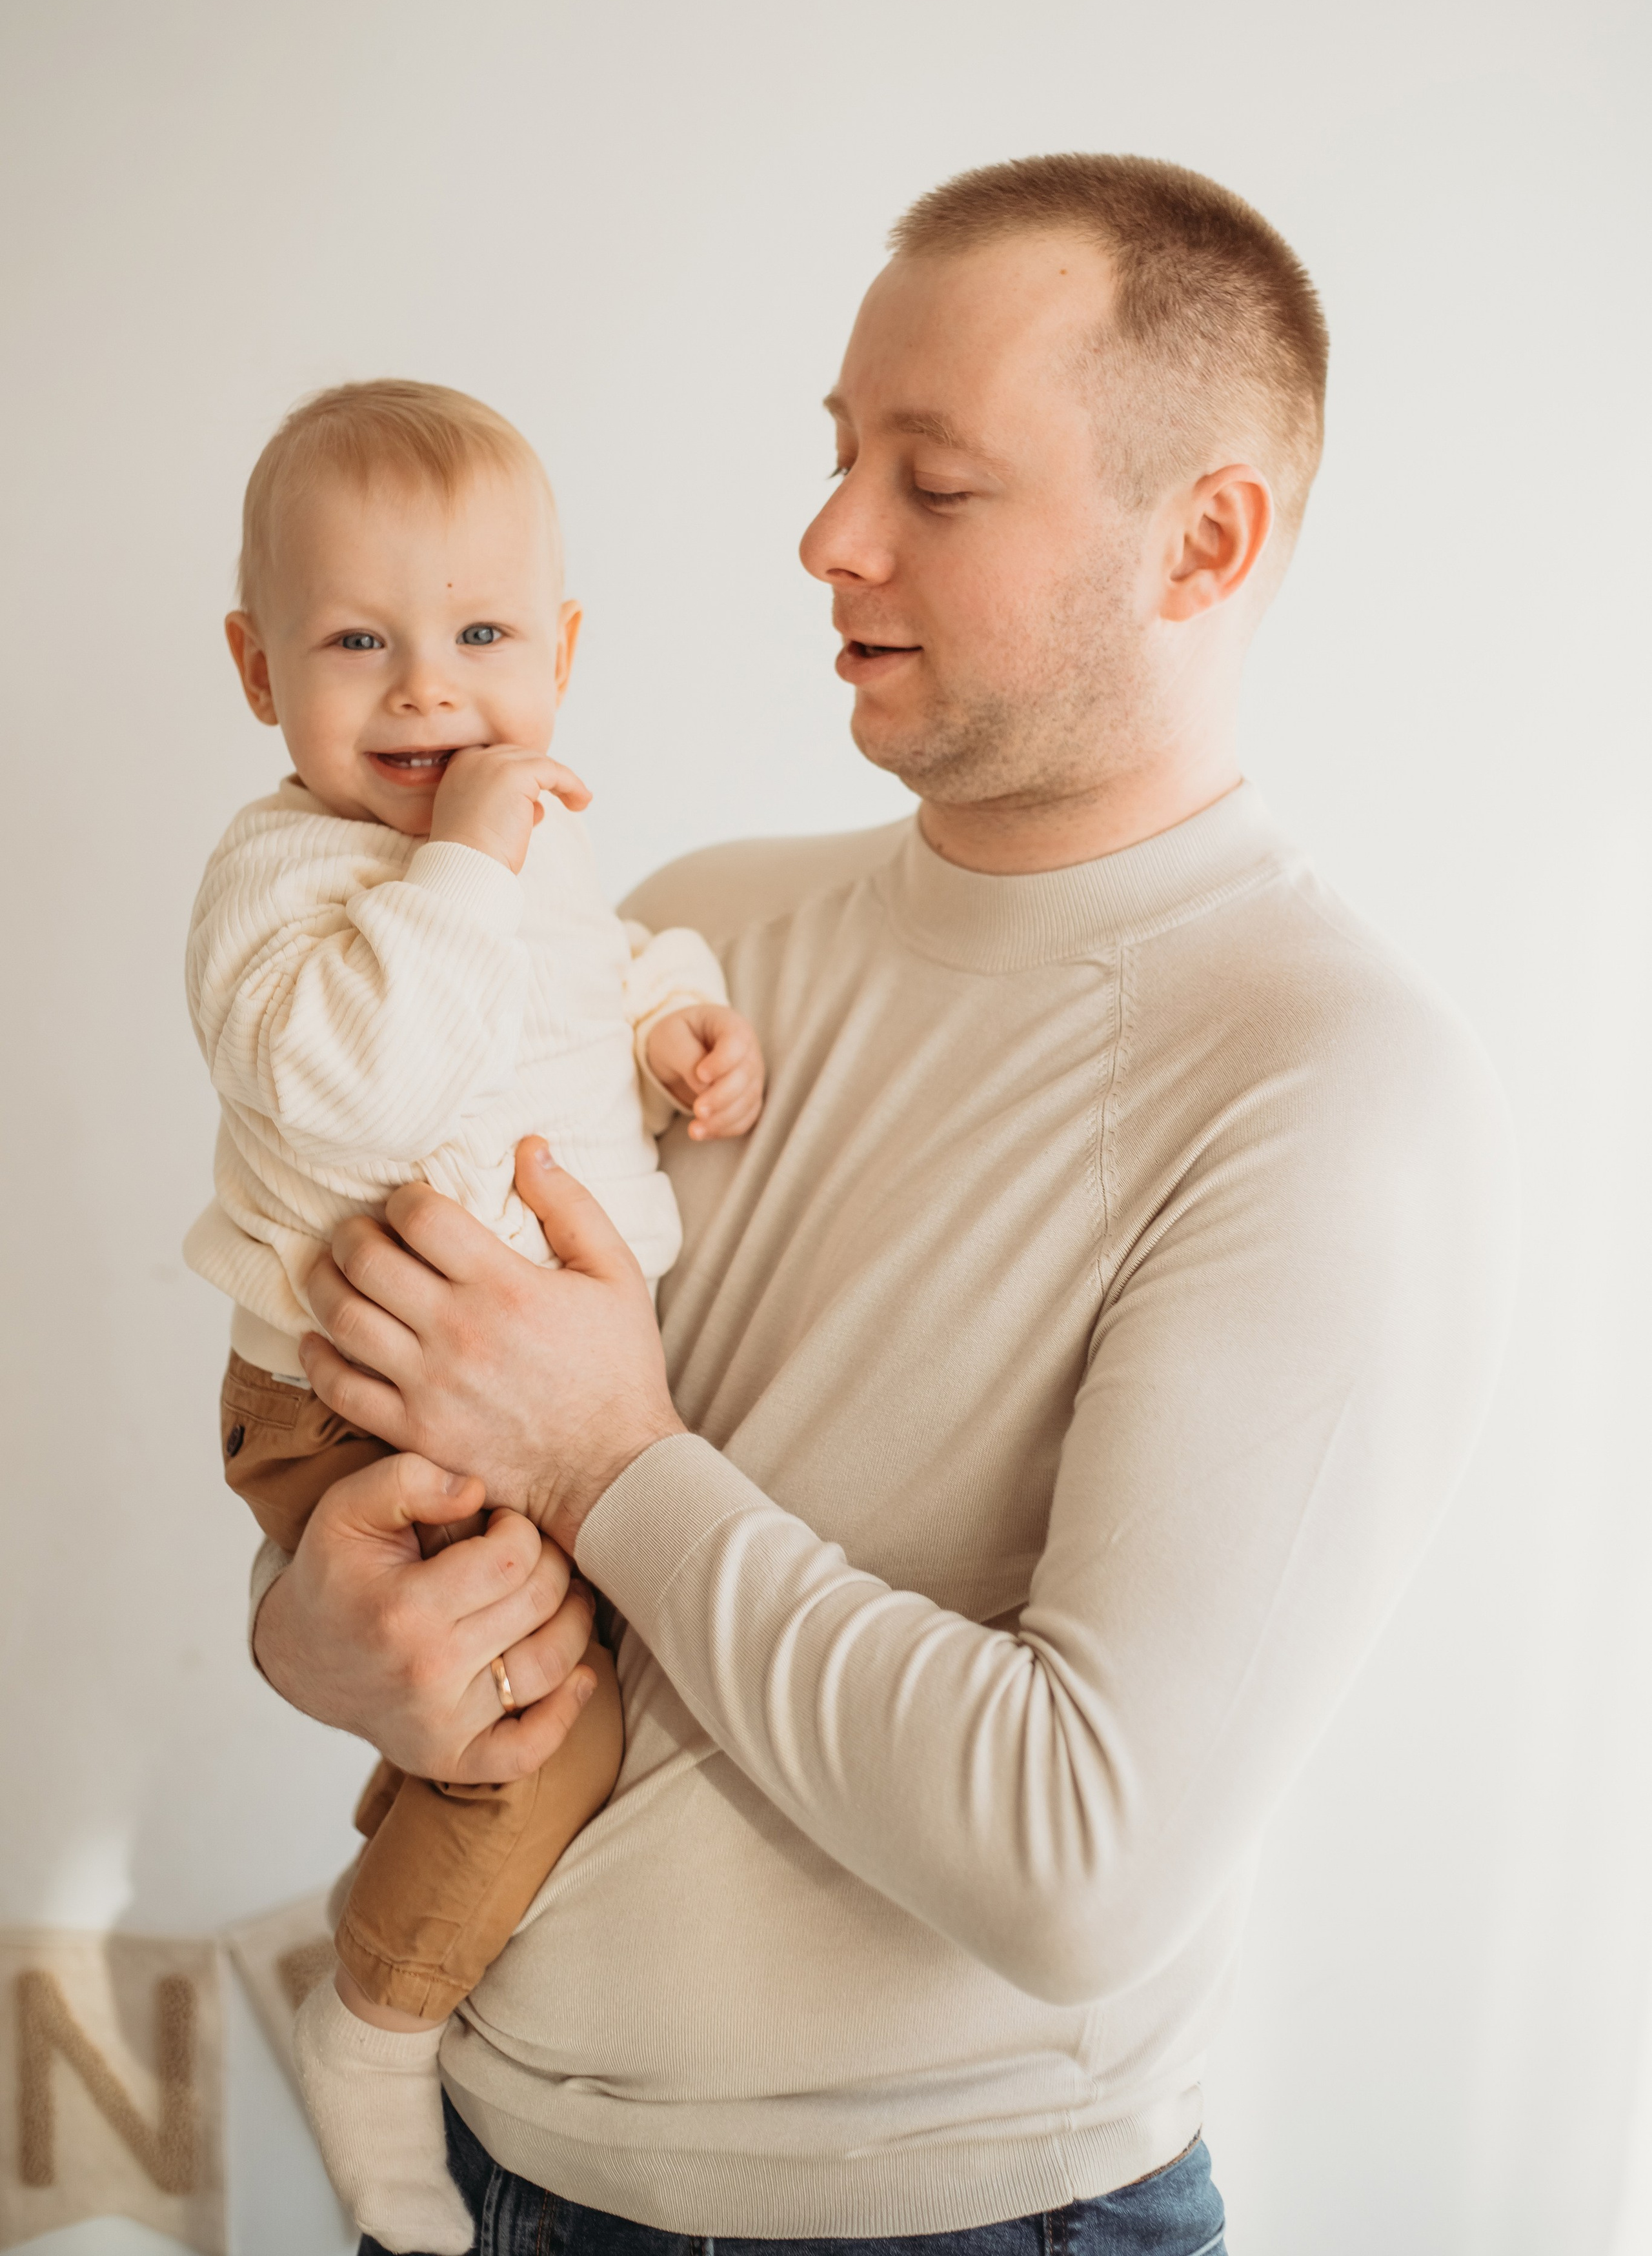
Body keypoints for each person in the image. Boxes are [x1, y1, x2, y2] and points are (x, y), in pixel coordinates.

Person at [250, 156, 1518, 2256]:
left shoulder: (1331, 1089)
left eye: (936, 483)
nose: (828, 539)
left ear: (1203, 540)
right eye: (841, 459)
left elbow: (1075, 1863)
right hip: (479, 2169)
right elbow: (390, 1487)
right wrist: (320, 1630)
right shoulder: (682, 937)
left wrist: (607, 1453)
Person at [185, 378, 764, 2252]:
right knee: (539, 1737)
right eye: (359, 642)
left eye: (484, 636)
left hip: (488, 1391)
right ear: (259, 671)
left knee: (514, 1725)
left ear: (566, 653)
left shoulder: (530, 850)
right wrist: (465, 862)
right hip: (357, 1402)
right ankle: (367, 2021)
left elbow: (583, 971)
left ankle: (379, 1941)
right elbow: (350, 1085)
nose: (430, 691)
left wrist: (674, 1017)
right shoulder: (281, 875)